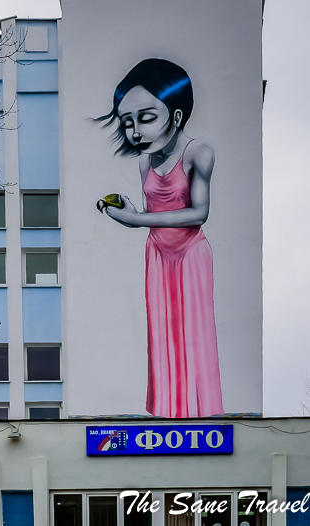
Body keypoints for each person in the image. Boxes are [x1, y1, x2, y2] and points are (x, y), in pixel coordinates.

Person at [97, 58, 223, 418]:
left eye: (147, 117)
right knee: (162, 336)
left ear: (178, 116)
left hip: (191, 255)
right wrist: (130, 209)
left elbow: (199, 213)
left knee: (193, 334)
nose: (135, 132)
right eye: (128, 122)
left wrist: (138, 219)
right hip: (157, 254)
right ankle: (168, 413)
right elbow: (151, 210)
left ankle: (203, 413)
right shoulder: (144, 162)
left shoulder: (199, 153)